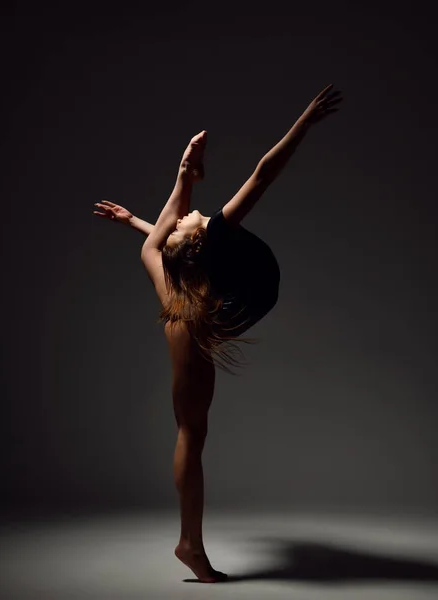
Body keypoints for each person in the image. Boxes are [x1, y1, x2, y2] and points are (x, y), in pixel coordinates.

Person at [93, 83, 342, 583]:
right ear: (203, 244)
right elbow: (262, 174)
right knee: (191, 433)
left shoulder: (173, 284)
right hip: (195, 331)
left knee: (190, 429)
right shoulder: (206, 260)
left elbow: (166, 239)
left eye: (188, 222)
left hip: (185, 326)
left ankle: (191, 542)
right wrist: (304, 123)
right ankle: (190, 545)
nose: (188, 216)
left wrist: (144, 212)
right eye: (189, 221)